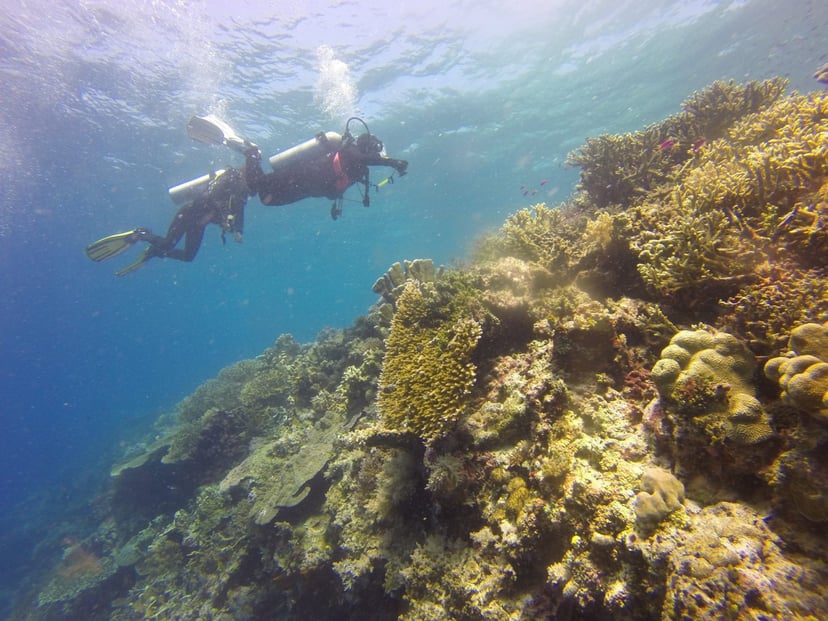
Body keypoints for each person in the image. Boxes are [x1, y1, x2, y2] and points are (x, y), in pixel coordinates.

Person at [85, 117, 408, 275]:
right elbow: (359, 159)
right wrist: (390, 161)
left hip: (274, 195)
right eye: (375, 151)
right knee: (256, 169)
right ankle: (247, 148)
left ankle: (149, 246)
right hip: (257, 193)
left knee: (183, 252)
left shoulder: (355, 169)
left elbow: (235, 211)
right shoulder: (351, 153)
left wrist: (235, 228)